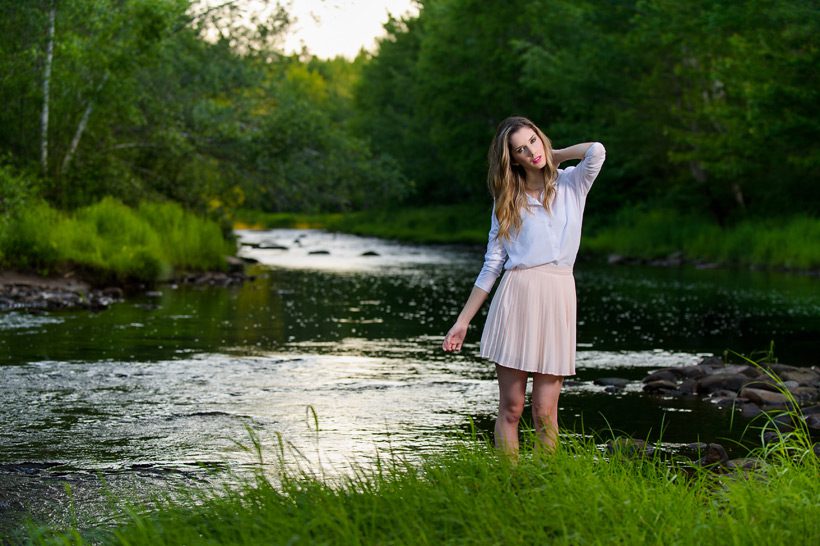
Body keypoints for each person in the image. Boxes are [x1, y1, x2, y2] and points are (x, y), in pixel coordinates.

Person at [442, 116, 605, 455]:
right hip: (517, 297)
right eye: (521, 149)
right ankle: (509, 484)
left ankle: (546, 486)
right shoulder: (508, 200)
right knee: (512, 408)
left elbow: (597, 151)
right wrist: (463, 321)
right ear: (512, 158)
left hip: (558, 296)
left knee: (545, 412)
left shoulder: (572, 184)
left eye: (533, 140)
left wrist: (554, 154)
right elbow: (492, 265)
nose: (530, 151)